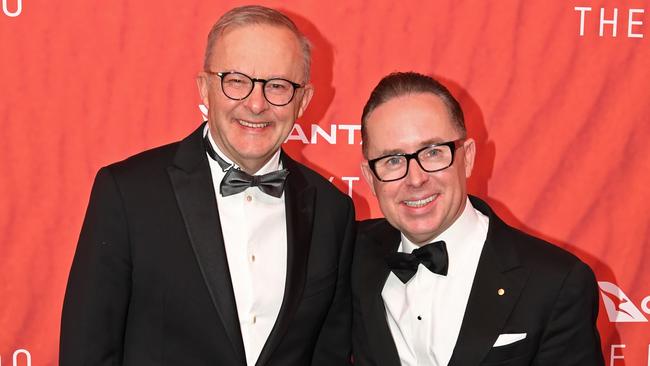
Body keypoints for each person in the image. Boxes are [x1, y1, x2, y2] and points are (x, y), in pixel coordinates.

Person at [60, 6, 355, 366]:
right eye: (236, 80)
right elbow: (87, 352)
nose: (256, 103)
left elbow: (330, 355)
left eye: (278, 85)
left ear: (303, 100)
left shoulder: (332, 211)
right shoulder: (128, 193)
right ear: (205, 88)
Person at [352, 72, 604, 365]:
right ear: (370, 178)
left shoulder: (556, 282)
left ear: (468, 157)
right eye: (393, 160)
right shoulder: (349, 253)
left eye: (433, 152)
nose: (416, 178)